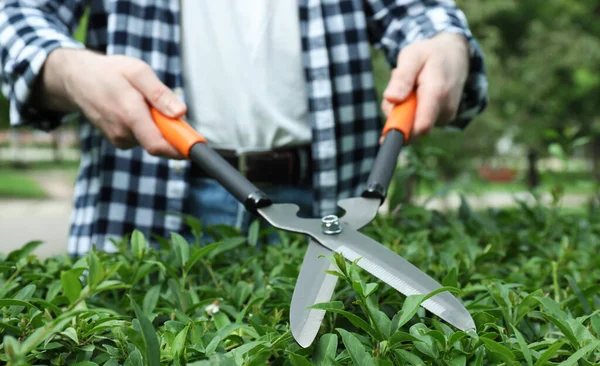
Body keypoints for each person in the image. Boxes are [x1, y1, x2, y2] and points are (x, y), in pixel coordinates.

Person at [0, 1, 487, 258]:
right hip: (145, 205)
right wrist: (67, 69)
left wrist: (445, 43)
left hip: (329, 197)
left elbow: (416, 12)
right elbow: (16, 13)